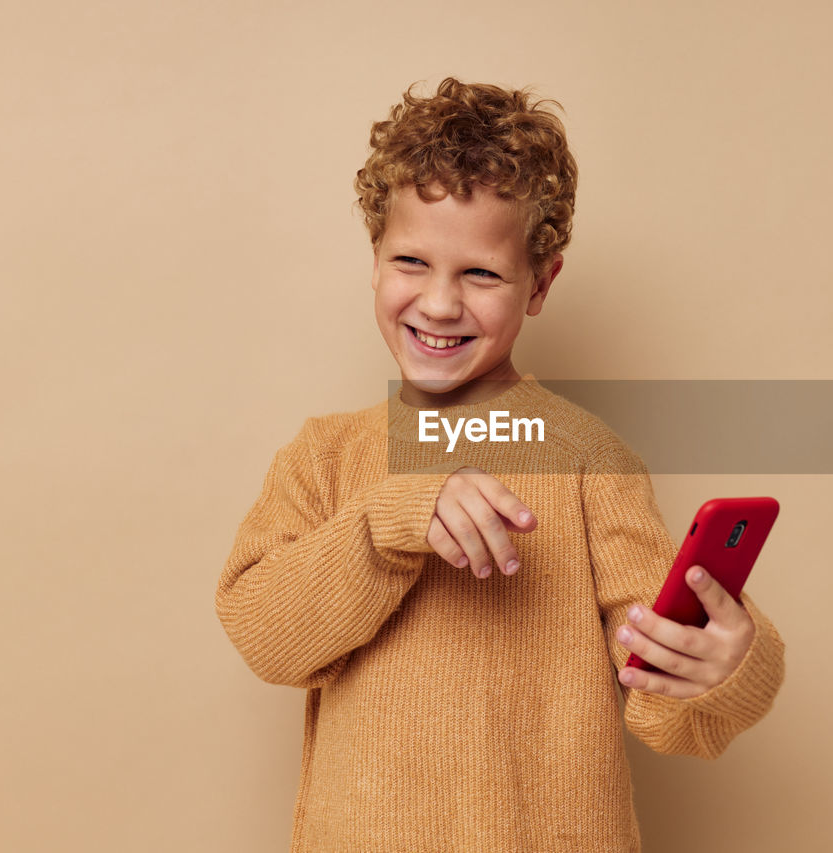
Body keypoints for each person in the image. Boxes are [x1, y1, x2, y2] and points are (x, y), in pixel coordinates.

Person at [215, 77, 785, 852]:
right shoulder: (327, 453)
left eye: (480, 274)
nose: (440, 303)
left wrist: (724, 664)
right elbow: (266, 637)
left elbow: (666, 707)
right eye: (411, 261)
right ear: (374, 259)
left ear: (541, 283)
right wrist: (393, 518)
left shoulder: (589, 461)